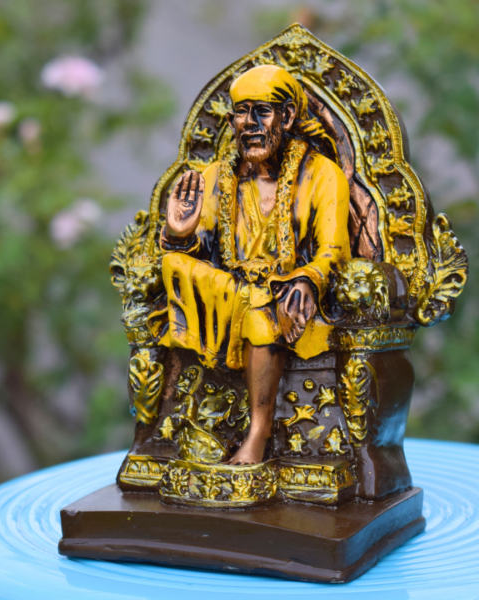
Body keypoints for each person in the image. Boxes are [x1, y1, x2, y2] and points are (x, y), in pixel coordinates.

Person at [150, 64, 351, 464]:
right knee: (172, 265)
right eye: (242, 113)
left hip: (284, 293)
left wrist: (308, 280)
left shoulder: (322, 175)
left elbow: (333, 251)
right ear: (231, 122)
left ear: (287, 117)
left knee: (262, 315)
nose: (250, 124)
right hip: (230, 290)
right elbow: (201, 251)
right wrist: (178, 233)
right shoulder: (216, 176)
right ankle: (167, 427)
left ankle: (258, 434)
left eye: (262, 111)